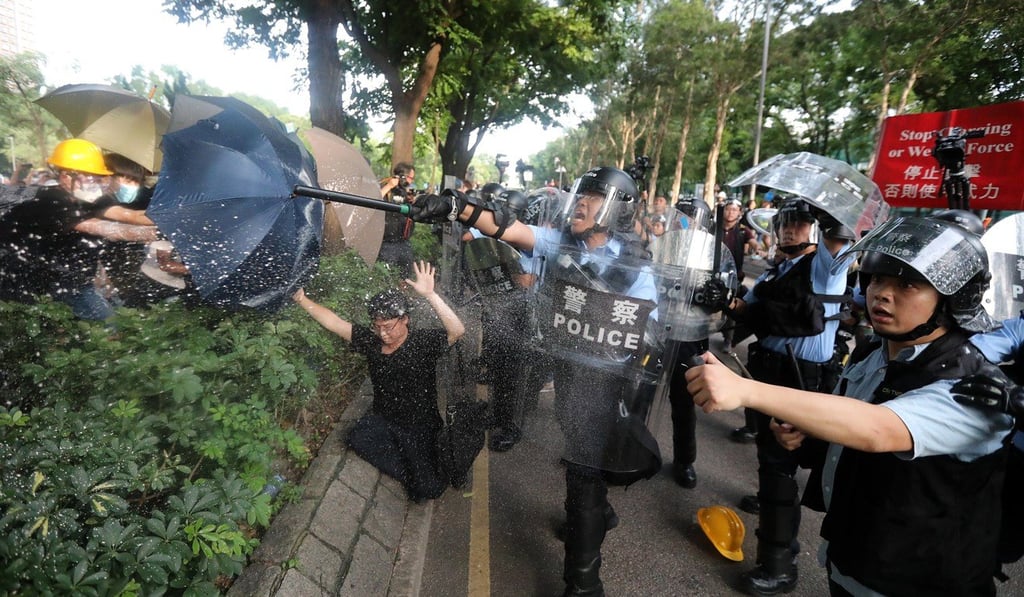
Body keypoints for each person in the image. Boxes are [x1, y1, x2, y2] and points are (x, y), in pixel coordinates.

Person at [687, 215, 1011, 596]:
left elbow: (879, 429)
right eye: (876, 279)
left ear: (952, 297)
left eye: (907, 284)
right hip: (855, 558)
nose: (881, 294)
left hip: (923, 580)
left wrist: (747, 391)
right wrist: (810, 435)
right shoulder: (875, 353)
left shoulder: (976, 387)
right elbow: (851, 423)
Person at [411, 166, 686, 596]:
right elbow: (509, 229)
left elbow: (650, 336)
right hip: (569, 377)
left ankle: (584, 581)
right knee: (580, 465)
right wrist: (456, 206)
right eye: (582, 195)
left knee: (582, 473)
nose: (580, 203)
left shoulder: (635, 267)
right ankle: (596, 512)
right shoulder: (561, 244)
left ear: (614, 211)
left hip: (605, 383)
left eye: (593, 199)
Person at [720, 197, 853, 595]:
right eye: (786, 221)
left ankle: (779, 565)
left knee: (781, 464)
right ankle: (769, 499)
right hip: (769, 371)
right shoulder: (780, 268)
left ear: (815, 228)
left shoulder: (824, 267)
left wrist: (832, 217)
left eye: (800, 222)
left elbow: (839, 247)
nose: (791, 228)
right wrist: (725, 301)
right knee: (770, 455)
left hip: (801, 376)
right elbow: (751, 308)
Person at [292, 260, 465, 502]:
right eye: (377, 327)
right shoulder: (372, 342)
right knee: (356, 438)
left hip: (419, 426)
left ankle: (425, 472)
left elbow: (456, 331)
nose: (383, 333)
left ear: (404, 319)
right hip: (385, 420)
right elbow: (334, 323)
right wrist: (302, 299)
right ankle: (412, 473)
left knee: (429, 490)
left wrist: (430, 294)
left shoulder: (422, 343)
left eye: (388, 326)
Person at [0, 139, 159, 320]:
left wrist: (177, 219)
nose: (95, 183)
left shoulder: (90, 198)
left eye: (98, 177)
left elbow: (132, 216)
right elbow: (104, 228)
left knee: (107, 328)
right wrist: (160, 234)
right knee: (105, 329)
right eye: (89, 176)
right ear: (66, 176)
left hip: (72, 282)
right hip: (27, 284)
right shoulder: (49, 202)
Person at [378, 162, 417, 277]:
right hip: (387, 243)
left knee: (406, 275)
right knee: (386, 276)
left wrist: (411, 201)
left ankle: (403, 291)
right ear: (402, 176)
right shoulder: (386, 187)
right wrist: (389, 186)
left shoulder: (404, 191)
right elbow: (373, 200)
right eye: (411, 178)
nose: (412, 181)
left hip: (404, 241)